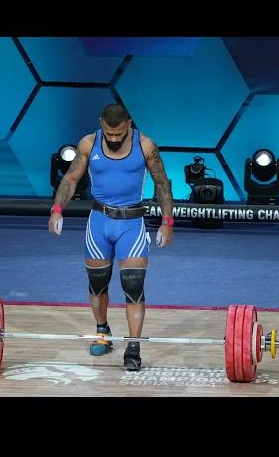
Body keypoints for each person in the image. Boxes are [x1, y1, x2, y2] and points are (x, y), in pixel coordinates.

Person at [48, 103, 174, 370]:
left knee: (133, 286)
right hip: (99, 223)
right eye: (109, 134)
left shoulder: (146, 145)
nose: (113, 139)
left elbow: (162, 183)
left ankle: (133, 346)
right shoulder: (88, 143)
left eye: (118, 134)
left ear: (128, 123)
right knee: (97, 284)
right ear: (101, 124)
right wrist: (57, 210)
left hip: (132, 223)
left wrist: (167, 222)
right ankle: (103, 332)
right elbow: (71, 179)